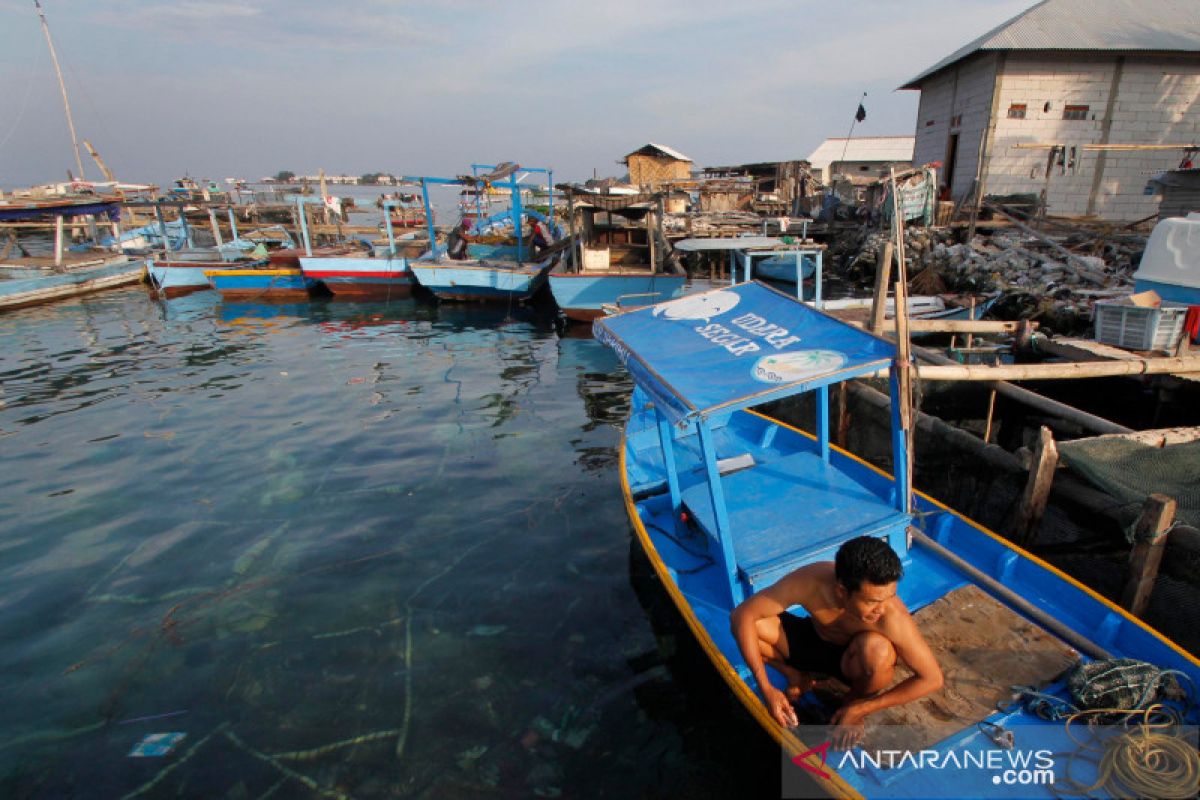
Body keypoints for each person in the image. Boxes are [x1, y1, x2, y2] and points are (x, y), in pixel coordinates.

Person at [729, 536, 943, 748]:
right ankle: (796, 676)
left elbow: (932, 678)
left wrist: (863, 708)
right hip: (811, 642)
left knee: (878, 651)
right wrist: (766, 687)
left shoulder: (892, 616)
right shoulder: (811, 580)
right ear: (842, 591)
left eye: (890, 596)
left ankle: (853, 700)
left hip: (852, 663)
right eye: (872, 601)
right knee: (750, 625)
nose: (882, 608)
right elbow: (742, 615)